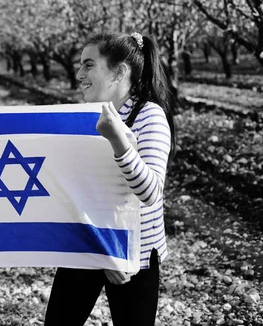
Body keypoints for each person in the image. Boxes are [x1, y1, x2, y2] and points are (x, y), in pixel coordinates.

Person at [44, 32, 176, 326]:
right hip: (89, 243)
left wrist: (119, 141)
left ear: (120, 72)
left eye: (89, 65)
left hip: (132, 258)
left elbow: (151, 191)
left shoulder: (148, 116)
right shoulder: (89, 115)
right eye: (80, 65)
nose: (79, 74)